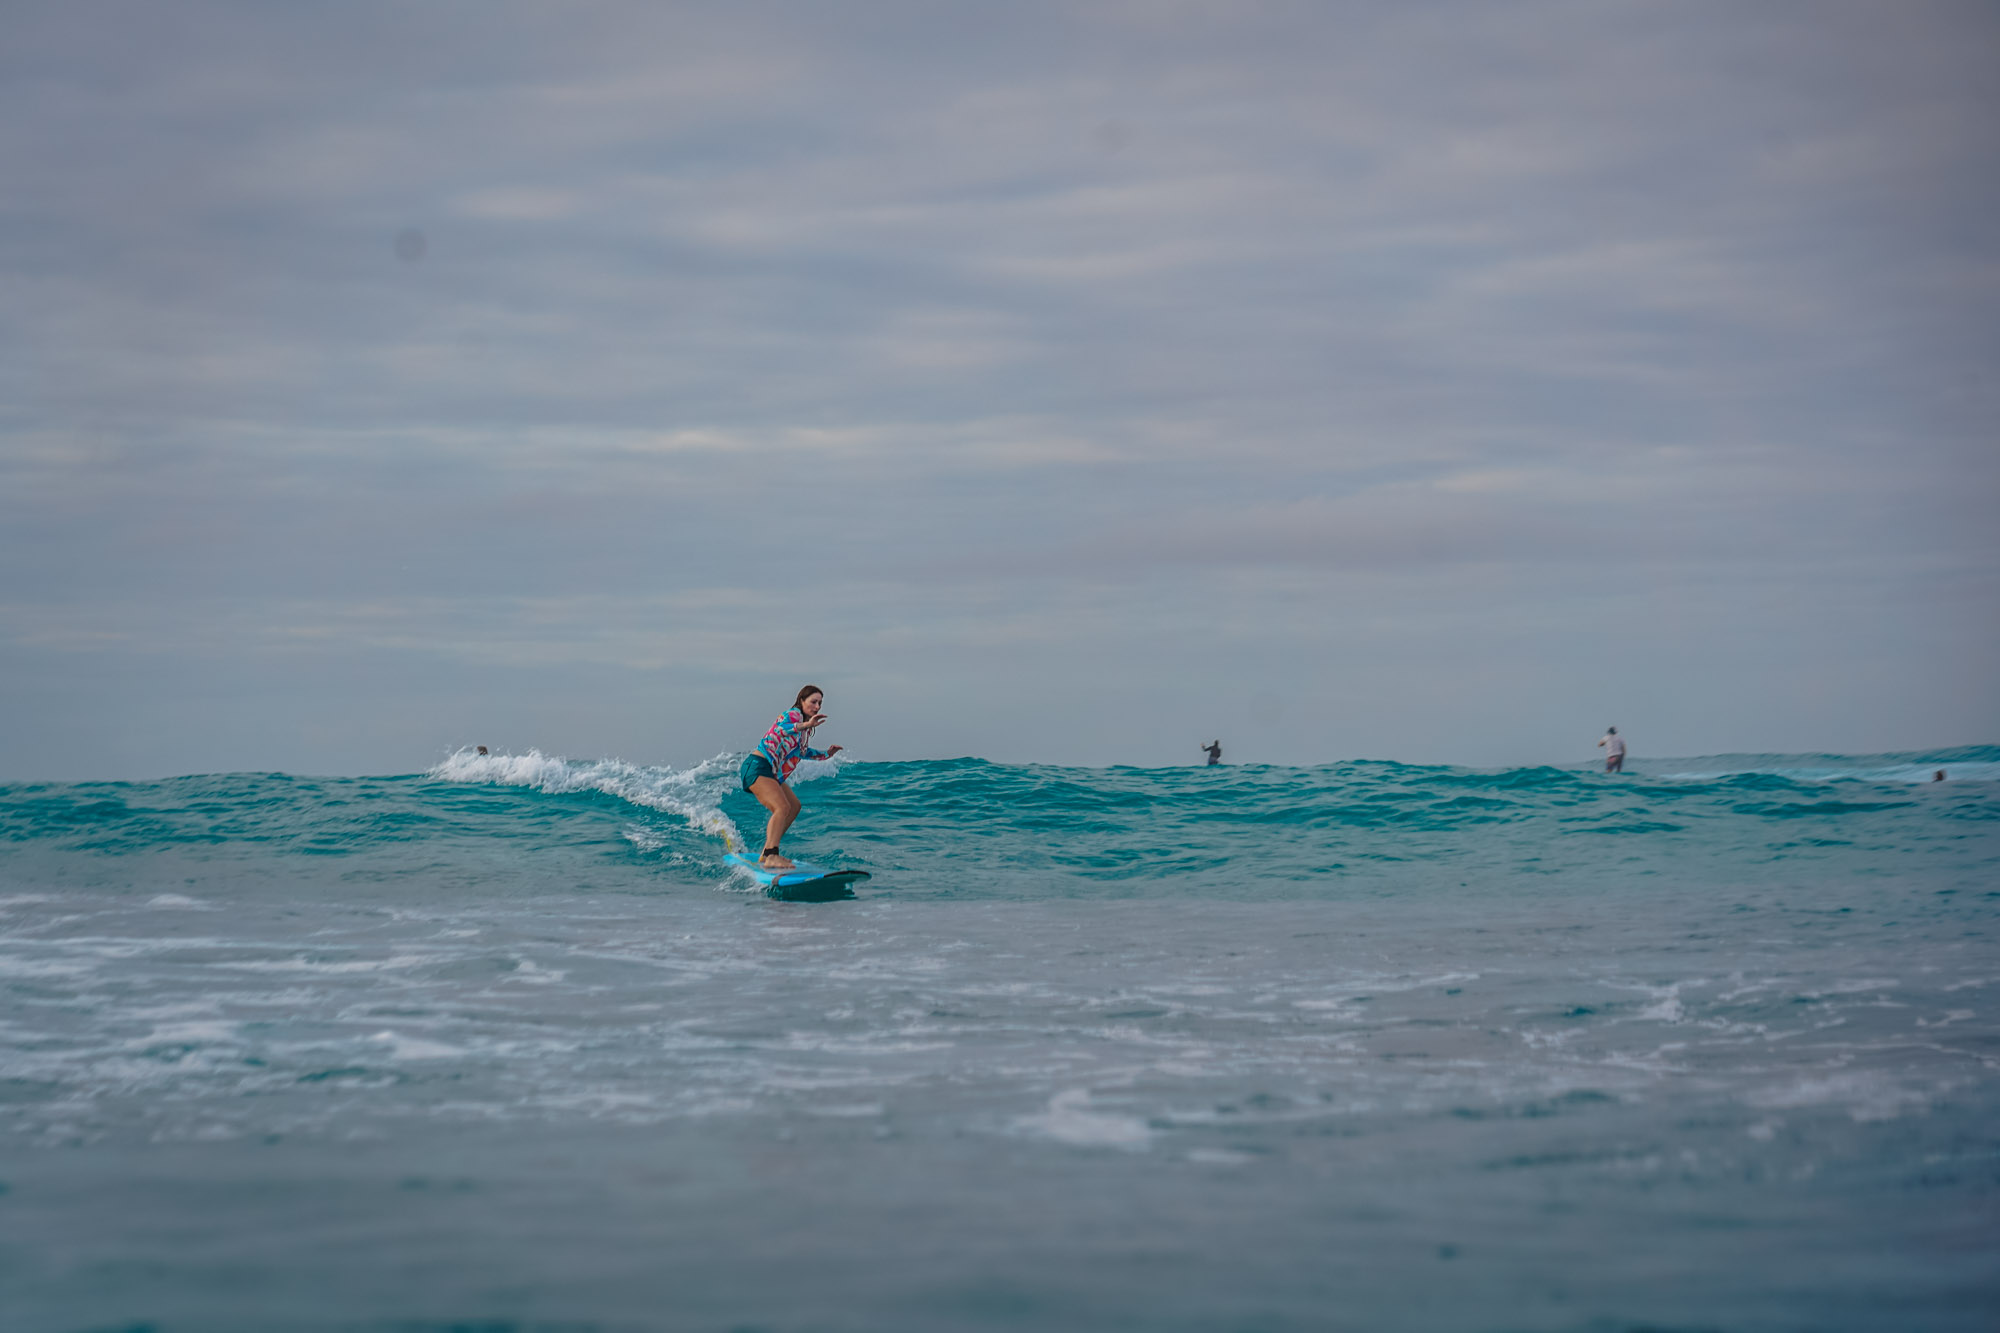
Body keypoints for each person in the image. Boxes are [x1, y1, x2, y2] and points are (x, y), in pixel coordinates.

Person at [739, 685, 844, 869]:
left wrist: (827, 754)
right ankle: (772, 855)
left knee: (794, 806)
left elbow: (802, 752)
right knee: (782, 807)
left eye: (820, 703)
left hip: (769, 771)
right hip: (757, 766)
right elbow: (781, 730)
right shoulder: (793, 714)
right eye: (813, 702)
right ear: (801, 701)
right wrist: (806, 725)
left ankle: (766, 853)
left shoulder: (803, 731)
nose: (817, 707)